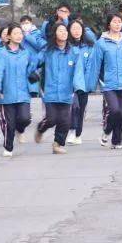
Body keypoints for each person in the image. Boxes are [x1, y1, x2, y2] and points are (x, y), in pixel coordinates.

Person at [32, 22, 82, 154]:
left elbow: (79, 71)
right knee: (52, 118)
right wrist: (32, 72)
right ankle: (41, 129)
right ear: (54, 34)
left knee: (65, 120)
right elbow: (36, 62)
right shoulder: (47, 51)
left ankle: (58, 144)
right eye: (60, 31)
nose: (63, 33)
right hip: (49, 90)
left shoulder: (74, 52)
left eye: (65, 31)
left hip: (67, 91)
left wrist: (78, 86)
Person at [91, 13, 122, 149]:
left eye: (119, 22)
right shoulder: (101, 43)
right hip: (109, 84)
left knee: (121, 114)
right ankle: (107, 130)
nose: (117, 24)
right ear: (109, 24)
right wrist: (94, 83)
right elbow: (96, 64)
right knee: (115, 110)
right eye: (114, 22)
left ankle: (117, 141)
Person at [0, 24, 36, 157]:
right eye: (16, 33)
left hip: (23, 93)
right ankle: (8, 147)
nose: (19, 35)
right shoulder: (2, 53)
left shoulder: (26, 52)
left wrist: (33, 84)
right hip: (7, 93)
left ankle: (20, 130)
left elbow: (31, 70)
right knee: (9, 124)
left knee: (25, 119)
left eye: (20, 33)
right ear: (8, 36)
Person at [68, 18, 98, 145]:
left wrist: (89, 83)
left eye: (78, 29)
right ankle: (71, 131)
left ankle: (78, 134)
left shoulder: (89, 46)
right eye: (73, 28)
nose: (76, 31)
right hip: (69, 84)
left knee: (80, 109)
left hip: (83, 84)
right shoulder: (66, 46)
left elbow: (91, 66)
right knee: (72, 108)